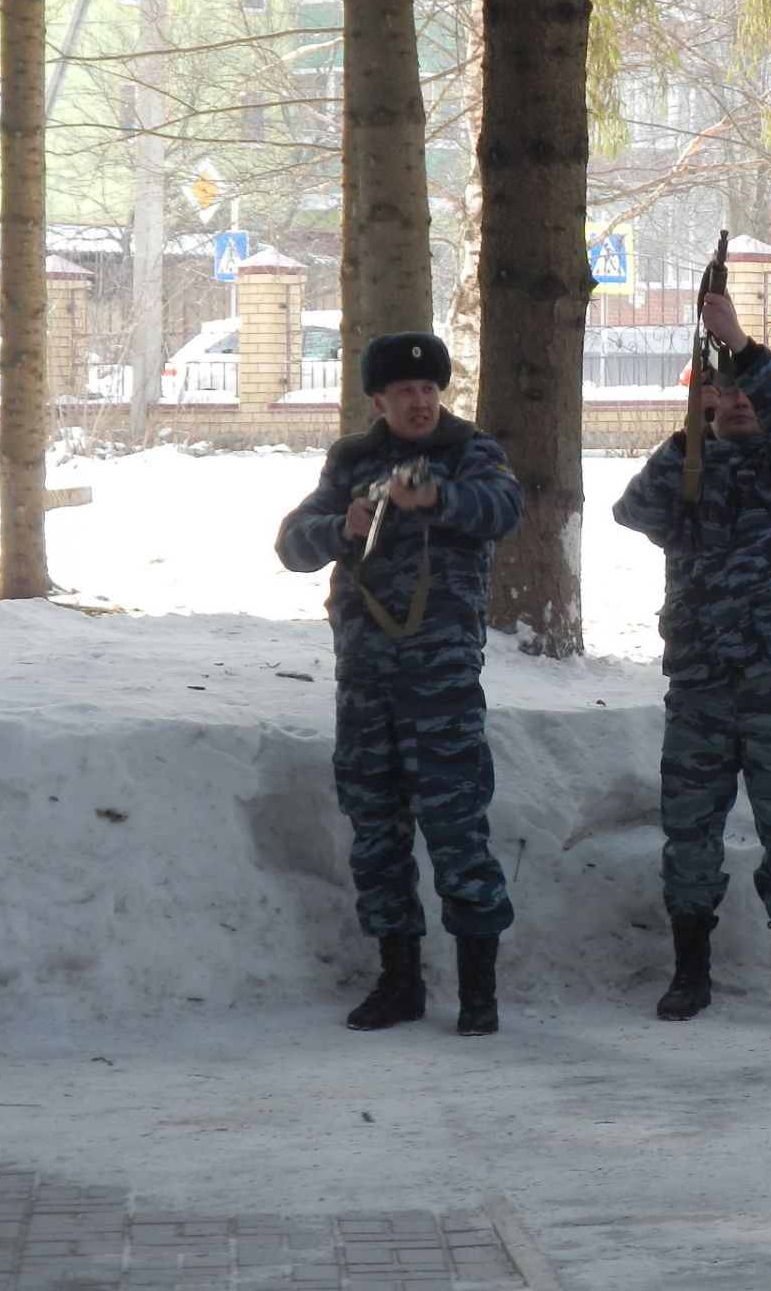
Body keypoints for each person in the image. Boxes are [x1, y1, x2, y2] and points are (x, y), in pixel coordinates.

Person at [276, 331, 522, 1036]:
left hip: (440, 680)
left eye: (429, 391)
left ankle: (479, 991)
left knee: (455, 829)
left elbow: (505, 510)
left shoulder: (470, 450)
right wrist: (341, 526)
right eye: (405, 393)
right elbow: (292, 543)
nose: (420, 402)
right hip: (366, 680)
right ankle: (399, 981)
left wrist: (435, 499)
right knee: (376, 831)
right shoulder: (352, 459)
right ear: (377, 400)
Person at [613, 292, 771, 1022]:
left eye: (751, 394)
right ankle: (690, 973)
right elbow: (633, 510)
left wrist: (741, 347)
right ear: (707, 400)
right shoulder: (687, 472)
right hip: (703, 686)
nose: (742, 403)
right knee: (690, 836)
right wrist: (690, 435)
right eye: (728, 394)